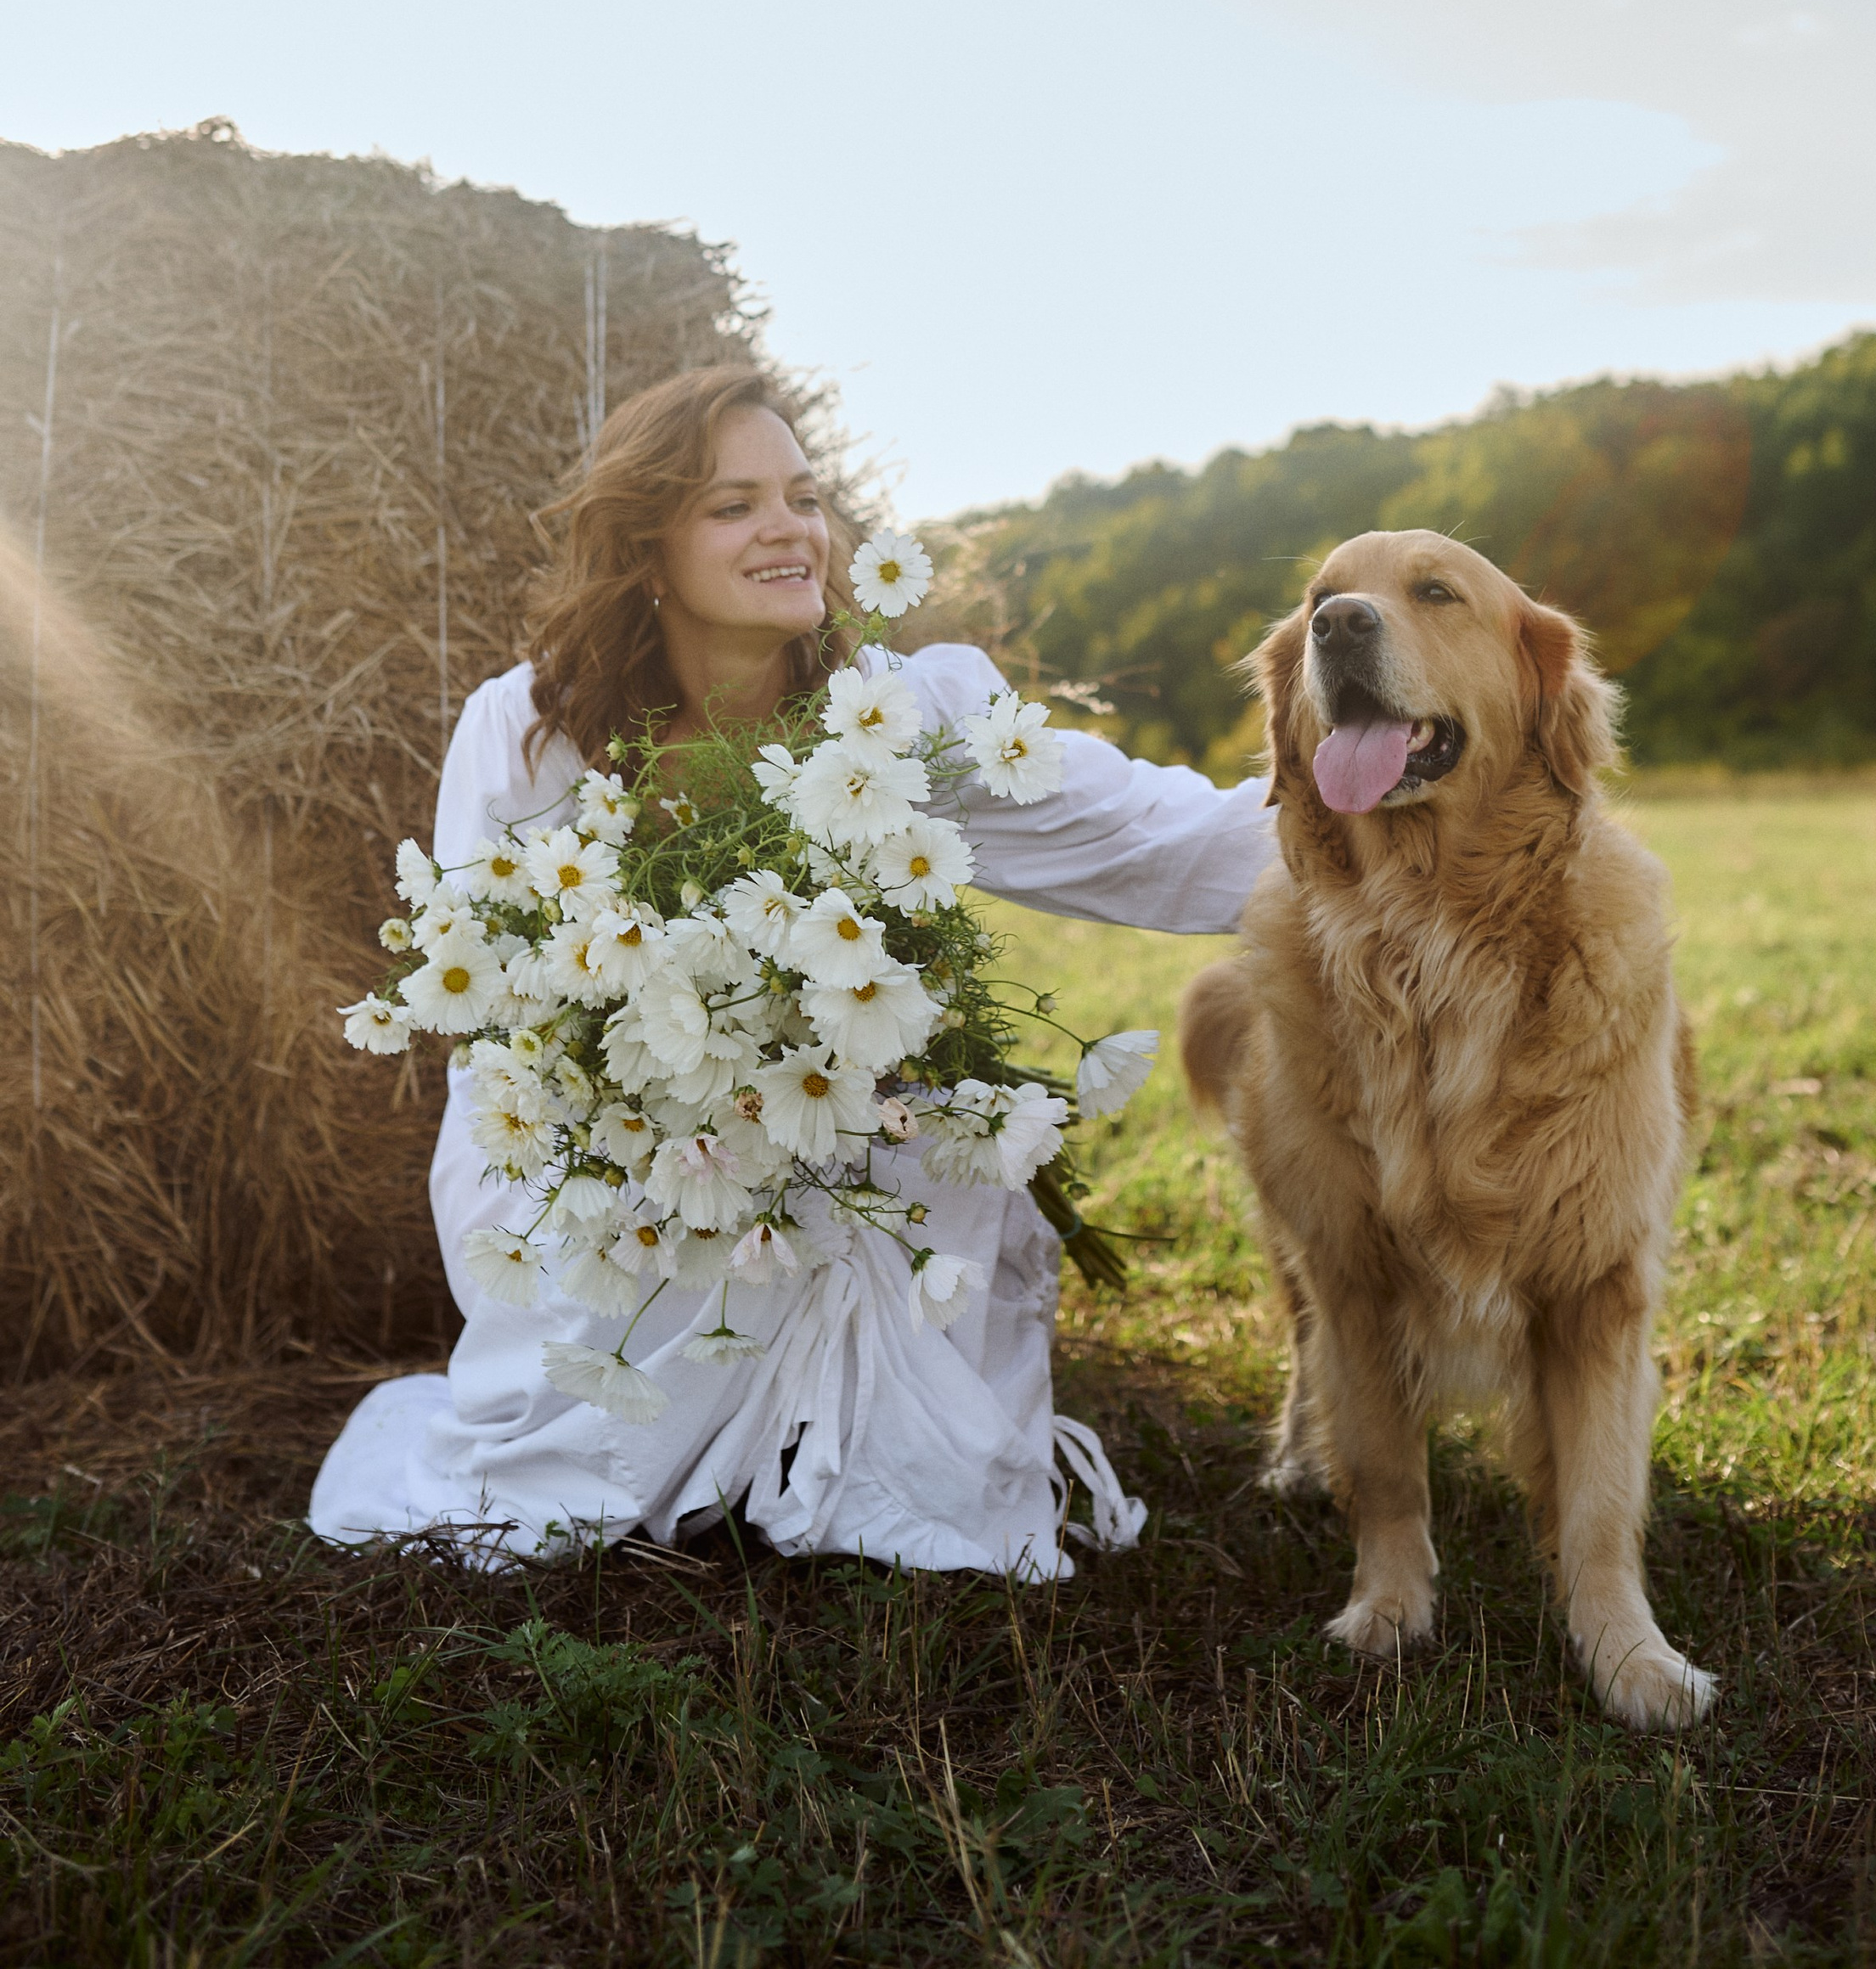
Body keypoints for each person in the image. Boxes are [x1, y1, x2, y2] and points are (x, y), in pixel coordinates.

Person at [310, 365, 1274, 1577]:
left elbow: (1142, 833)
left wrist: (1384, 821)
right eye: (735, 505)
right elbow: (496, 986)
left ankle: (836, 1463)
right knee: (596, 1409)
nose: (790, 528)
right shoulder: (533, 728)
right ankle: (718, 1440)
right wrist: (684, 1091)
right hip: (597, 1143)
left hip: (838, 1122)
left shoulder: (895, 714)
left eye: (805, 498)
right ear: (649, 553)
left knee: (946, 1164)